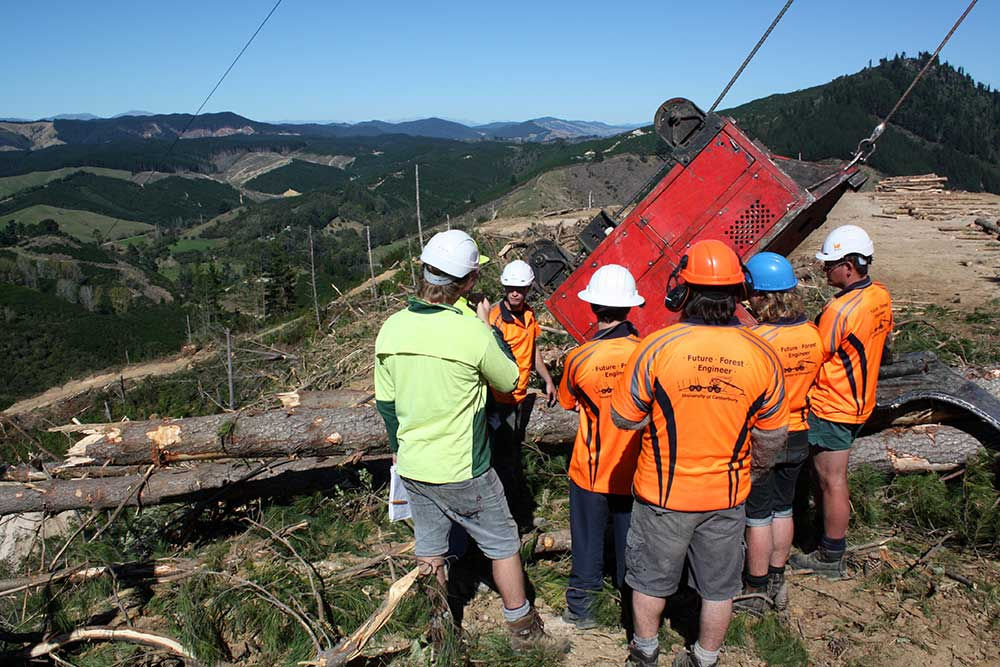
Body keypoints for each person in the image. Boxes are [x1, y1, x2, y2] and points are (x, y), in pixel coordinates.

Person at [374, 230, 565, 652]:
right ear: (471, 280)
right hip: (465, 467)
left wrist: (398, 449)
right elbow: (510, 378)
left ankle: (440, 632)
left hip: (414, 465)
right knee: (502, 544)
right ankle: (524, 630)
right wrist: (487, 329)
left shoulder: (391, 329)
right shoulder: (471, 332)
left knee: (430, 552)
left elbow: (387, 406)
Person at [610, 239, 789, 667]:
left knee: (651, 581)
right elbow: (772, 435)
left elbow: (623, 418)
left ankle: (645, 652)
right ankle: (705, 658)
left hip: (663, 494)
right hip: (726, 495)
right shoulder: (762, 353)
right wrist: (751, 472)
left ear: (683, 292)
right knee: (718, 587)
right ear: (738, 294)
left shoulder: (655, 347)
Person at [789, 225, 893, 576]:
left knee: (830, 478)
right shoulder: (880, 296)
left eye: (830, 264)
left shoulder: (841, 310)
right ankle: (826, 540)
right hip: (859, 400)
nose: (824, 270)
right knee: (829, 477)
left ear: (849, 264)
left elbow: (816, 353)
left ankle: (830, 555)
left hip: (834, 403)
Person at [734, 252, 824, 614]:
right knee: (783, 509)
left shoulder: (757, 340)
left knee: (757, 515)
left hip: (763, 436)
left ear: (757, 294)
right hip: (799, 430)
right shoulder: (812, 334)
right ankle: (777, 579)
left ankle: (754, 590)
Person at [558, 264, 645, 630]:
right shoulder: (647, 353)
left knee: (588, 539)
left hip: (592, 467)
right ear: (629, 308)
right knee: (632, 540)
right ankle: (632, 607)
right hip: (637, 468)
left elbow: (567, 401)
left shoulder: (579, 358)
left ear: (593, 308)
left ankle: (583, 607)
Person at [489, 259, 557, 523]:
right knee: (502, 459)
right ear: (505, 288)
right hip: (497, 399)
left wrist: (547, 380)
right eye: (511, 288)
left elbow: (533, 349)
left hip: (518, 396)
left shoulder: (529, 315)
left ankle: (511, 507)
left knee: (512, 454)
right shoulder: (495, 319)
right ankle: (507, 513)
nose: (515, 293)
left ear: (528, 289)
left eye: (521, 288)